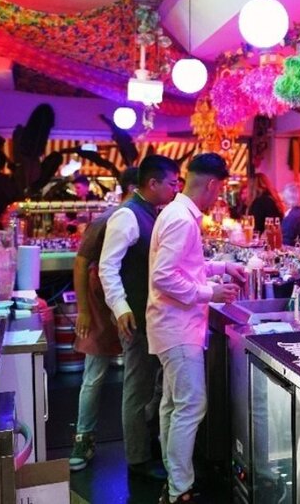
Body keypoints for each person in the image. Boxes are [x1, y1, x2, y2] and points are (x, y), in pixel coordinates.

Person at [147, 153, 245, 504]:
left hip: (171, 325)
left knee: (174, 406)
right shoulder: (182, 219)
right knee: (190, 406)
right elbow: (163, 275)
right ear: (213, 184)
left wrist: (219, 268)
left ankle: (176, 482)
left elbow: (183, 264)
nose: (219, 197)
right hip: (177, 327)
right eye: (220, 190)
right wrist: (209, 292)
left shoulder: (176, 212)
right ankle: (180, 489)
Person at [99, 155, 179, 482]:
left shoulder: (151, 213)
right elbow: (107, 267)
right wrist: (121, 308)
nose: (176, 189)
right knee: (136, 388)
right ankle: (137, 459)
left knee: (152, 387)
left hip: (151, 317)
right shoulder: (127, 216)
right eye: (172, 183)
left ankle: (147, 446)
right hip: (135, 317)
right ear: (152, 184)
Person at [68, 168, 138, 471]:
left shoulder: (143, 217)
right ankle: (83, 438)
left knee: (137, 377)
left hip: (129, 303)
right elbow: (81, 262)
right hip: (100, 304)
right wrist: (83, 308)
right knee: (94, 373)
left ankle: (139, 441)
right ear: (135, 187)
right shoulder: (108, 218)